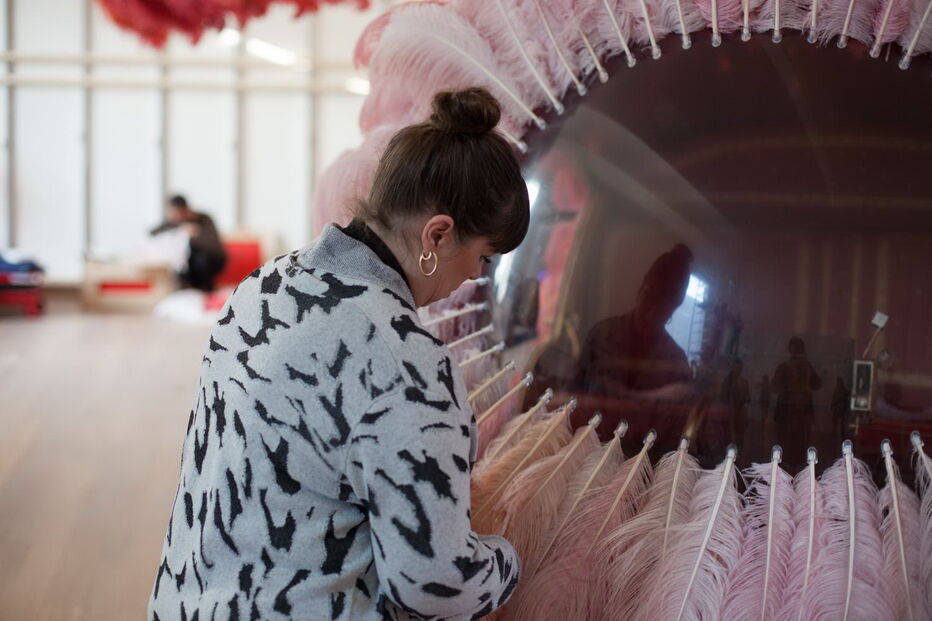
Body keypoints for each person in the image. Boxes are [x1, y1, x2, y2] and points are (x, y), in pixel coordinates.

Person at [148, 88, 529, 620]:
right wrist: (511, 558)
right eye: (483, 256)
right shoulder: (407, 362)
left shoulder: (263, 286)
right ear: (438, 235)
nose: (474, 276)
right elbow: (434, 584)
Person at [151, 195, 227, 291]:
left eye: (180, 212)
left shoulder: (204, 219)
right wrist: (179, 229)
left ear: (187, 209)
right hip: (187, 265)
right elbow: (152, 233)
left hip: (209, 260)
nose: (178, 216)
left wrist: (195, 235)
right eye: (174, 213)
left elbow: (213, 245)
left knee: (201, 259)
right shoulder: (174, 221)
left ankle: (203, 289)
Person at [772, 337, 822, 468]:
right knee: (787, 446)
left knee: (799, 446)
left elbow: (817, 384)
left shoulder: (805, 367)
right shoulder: (786, 367)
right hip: (788, 414)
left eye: (798, 348)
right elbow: (775, 387)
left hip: (801, 414)